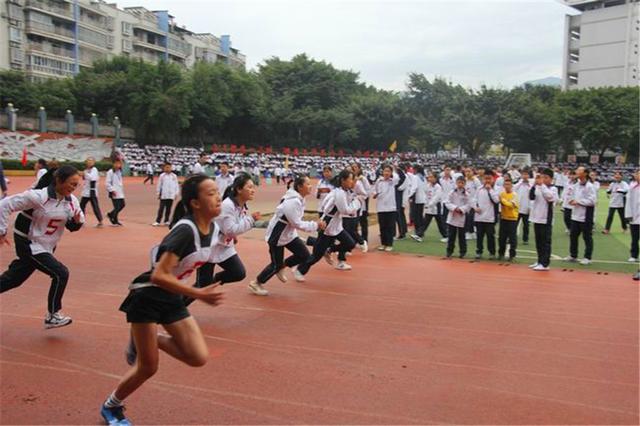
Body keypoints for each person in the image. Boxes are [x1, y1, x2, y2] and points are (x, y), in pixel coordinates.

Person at [101, 175, 224, 426]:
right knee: (148, 368)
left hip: (172, 297)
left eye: (217, 191)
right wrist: (199, 294)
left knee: (197, 357)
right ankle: (111, 407)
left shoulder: (214, 229)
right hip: (147, 297)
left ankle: (147, 339)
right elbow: (158, 275)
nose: (218, 196)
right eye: (211, 192)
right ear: (195, 203)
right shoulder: (184, 231)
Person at [0, 165, 84, 328]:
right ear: (59, 181)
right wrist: (1, 230)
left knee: (13, 280)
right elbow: (5, 204)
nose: (74, 188)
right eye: (72, 184)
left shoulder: (71, 201)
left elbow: (74, 226)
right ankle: (53, 315)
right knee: (61, 273)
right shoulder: (38, 197)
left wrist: (76, 221)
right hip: (29, 244)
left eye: (76, 185)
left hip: (47, 247)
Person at [249, 176, 326, 295]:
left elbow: (295, 222)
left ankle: (282, 266)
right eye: (308, 184)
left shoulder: (300, 199)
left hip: (289, 233)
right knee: (275, 265)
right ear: (300, 187)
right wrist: (315, 225)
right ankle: (256, 283)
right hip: (277, 235)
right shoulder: (292, 201)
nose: (311, 186)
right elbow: (297, 223)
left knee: (304, 255)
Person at [294, 169, 360, 279]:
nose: (352, 182)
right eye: (351, 179)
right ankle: (300, 270)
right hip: (327, 226)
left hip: (336, 226)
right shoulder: (339, 193)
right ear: (343, 180)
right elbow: (345, 210)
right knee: (316, 255)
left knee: (350, 243)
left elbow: (329, 206)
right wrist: (357, 203)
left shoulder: (344, 191)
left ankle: (329, 249)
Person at [210, 174, 259, 287]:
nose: (253, 191)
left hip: (225, 245)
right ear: (239, 189)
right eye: (250, 187)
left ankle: (214, 280)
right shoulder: (228, 205)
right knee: (201, 285)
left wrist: (234, 236)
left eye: (253, 187)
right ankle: (179, 304)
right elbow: (231, 230)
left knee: (238, 273)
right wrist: (251, 220)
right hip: (210, 246)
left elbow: (231, 226)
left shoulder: (242, 205)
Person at [565, 167, 596, 265]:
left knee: (587, 237)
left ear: (585, 173)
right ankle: (573, 255)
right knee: (573, 236)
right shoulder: (576, 185)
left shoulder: (590, 186)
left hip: (586, 216)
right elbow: (571, 196)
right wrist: (570, 200)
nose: (577, 172)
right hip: (575, 215)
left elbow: (592, 201)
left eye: (579, 170)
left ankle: (587, 257)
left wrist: (578, 202)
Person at [529, 168, 559, 271]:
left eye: (546, 177)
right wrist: (534, 184)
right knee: (538, 241)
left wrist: (542, 186)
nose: (544, 179)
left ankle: (545, 264)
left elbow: (550, 198)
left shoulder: (553, 189)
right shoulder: (538, 187)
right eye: (542, 177)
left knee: (545, 242)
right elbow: (531, 197)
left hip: (546, 219)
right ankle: (539, 260)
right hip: (536, 217)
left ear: (551, 179)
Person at [473, 170, 499, 260]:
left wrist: (490, 190)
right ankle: (479, 251)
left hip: (490, 217)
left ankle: (492, 253)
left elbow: (496, 200)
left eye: (489, 179)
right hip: (479, 217)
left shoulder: (495, 189)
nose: (487, 181)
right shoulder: (479, 189)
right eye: (485, 179)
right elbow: (474, 200)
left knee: (490, 236)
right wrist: (475, 207)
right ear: (482, 179)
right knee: (479, 236)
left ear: (493, 179)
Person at [373, 164, 399, 252]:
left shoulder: (393, 181)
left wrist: (394, 169)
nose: (386, 173)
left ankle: (389, 244)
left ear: (391, 172)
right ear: (382, 172)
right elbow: (374, 190)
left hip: (391, 207)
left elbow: (397, 177)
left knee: (390, 226)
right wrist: (375, 194)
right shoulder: (379, 181)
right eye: (385, 171)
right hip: (381, 207)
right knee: (382, 226)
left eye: (388, 171)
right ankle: (383, 244)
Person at [445, 176, 470, 258]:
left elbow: (468, 205)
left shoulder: (467, 194)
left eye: (462, 183)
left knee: (462, 236)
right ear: (456, 183)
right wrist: (455, 208)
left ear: (465, 184)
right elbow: (447, 202)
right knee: (451, 236)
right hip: (453, 215)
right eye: (459, 182)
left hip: (461, 216)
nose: (460, 184)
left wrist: (461, 209)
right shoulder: (452, 192)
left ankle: (462, 252)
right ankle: (449, 251)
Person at [498, 177, 519, 261]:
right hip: (503, 218)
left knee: (512, 238)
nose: (507, 186)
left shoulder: (515, 195)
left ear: (511, 185)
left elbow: (511, 205)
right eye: (505, 184)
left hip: (512, 219)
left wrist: (502, 200)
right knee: (502, 238)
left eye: (508, 184)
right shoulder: (502, 194)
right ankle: (501, 254)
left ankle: (512, 255)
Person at [80, 157, 104, 228]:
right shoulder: (86, 170)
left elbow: (92, 178)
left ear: (93, 163)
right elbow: (85, 179)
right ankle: (82, 220)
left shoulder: (94, 170)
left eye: (91, 161)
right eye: (88, 161)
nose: (89, 163)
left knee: (95, 206)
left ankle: (100, 221)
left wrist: (85, 173)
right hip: (86, 191)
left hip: (92, 191)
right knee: (81, 206)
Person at [153, 162, 179, 226]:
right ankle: (158, 221)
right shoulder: (162, 176)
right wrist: (158, 192)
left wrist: (176, 193)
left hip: (171, 195)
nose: (168, 169)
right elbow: (159, 185)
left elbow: (176, 185)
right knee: (161, 208)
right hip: (164, 194)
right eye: (166, 167)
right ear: (164, 168)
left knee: (169, 208)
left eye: (169, 167)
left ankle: (166, 220)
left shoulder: (174, 176)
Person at [514, 168, 532, 245]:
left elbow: (532, 196)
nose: (525, 176)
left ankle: (525, 239)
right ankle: (512, 237)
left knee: (526, 225)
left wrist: (531, 208)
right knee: (514, 224)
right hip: (517, 207)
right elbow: (514, 189)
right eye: (523, 174)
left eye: (526, 174)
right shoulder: (518, 183)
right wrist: (521, 182)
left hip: (526, 208)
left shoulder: (531, 184)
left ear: (528, 175)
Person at [409, 166, 427, 242]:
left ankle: (418, 232)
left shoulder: (415, 177)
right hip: (422, 199)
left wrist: (409, 195)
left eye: (413, 169)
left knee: (416, 216)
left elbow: (414, 187)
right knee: (419, 216)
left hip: (416, 199)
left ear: (416, 170)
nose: (412, 171)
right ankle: (420, 232)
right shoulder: (423, 177)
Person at [625, 170, 639, 263]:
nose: (637, 175)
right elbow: (628, 203)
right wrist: (628, 215)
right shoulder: (632, 187)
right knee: (634, 238)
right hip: (634, 217)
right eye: (637, 174)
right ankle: (634, 255)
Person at [106, 159, 126, 226]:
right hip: (114, 192)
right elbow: (107, 183)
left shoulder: (119, 172)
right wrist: (112, 190)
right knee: (117, 207)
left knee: (122, 205)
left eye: (119, 164)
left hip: (120, 191)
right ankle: (114, 220)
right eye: (116, 164)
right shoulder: (110, 172)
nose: (118, 165)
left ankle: (111, 214)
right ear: (113, 164)